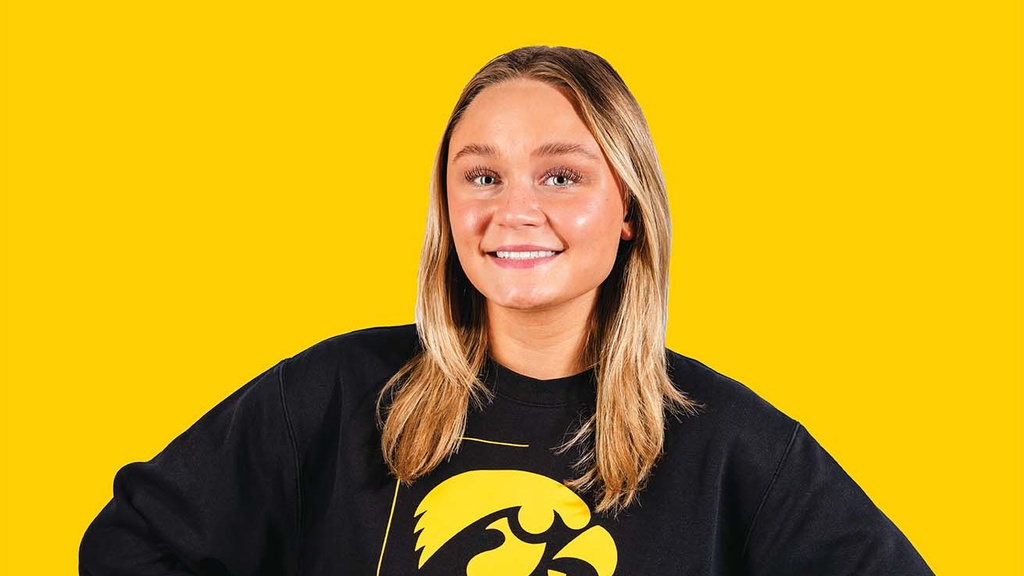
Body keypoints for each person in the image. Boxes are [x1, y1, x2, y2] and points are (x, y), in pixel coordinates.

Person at [80, 46, 933, 575]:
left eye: (561, 175)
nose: (514, 210)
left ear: (629, 209)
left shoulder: (734, 448)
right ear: (447, 206)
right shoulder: (334, 397)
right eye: (481, 176)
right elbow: (129, 545)